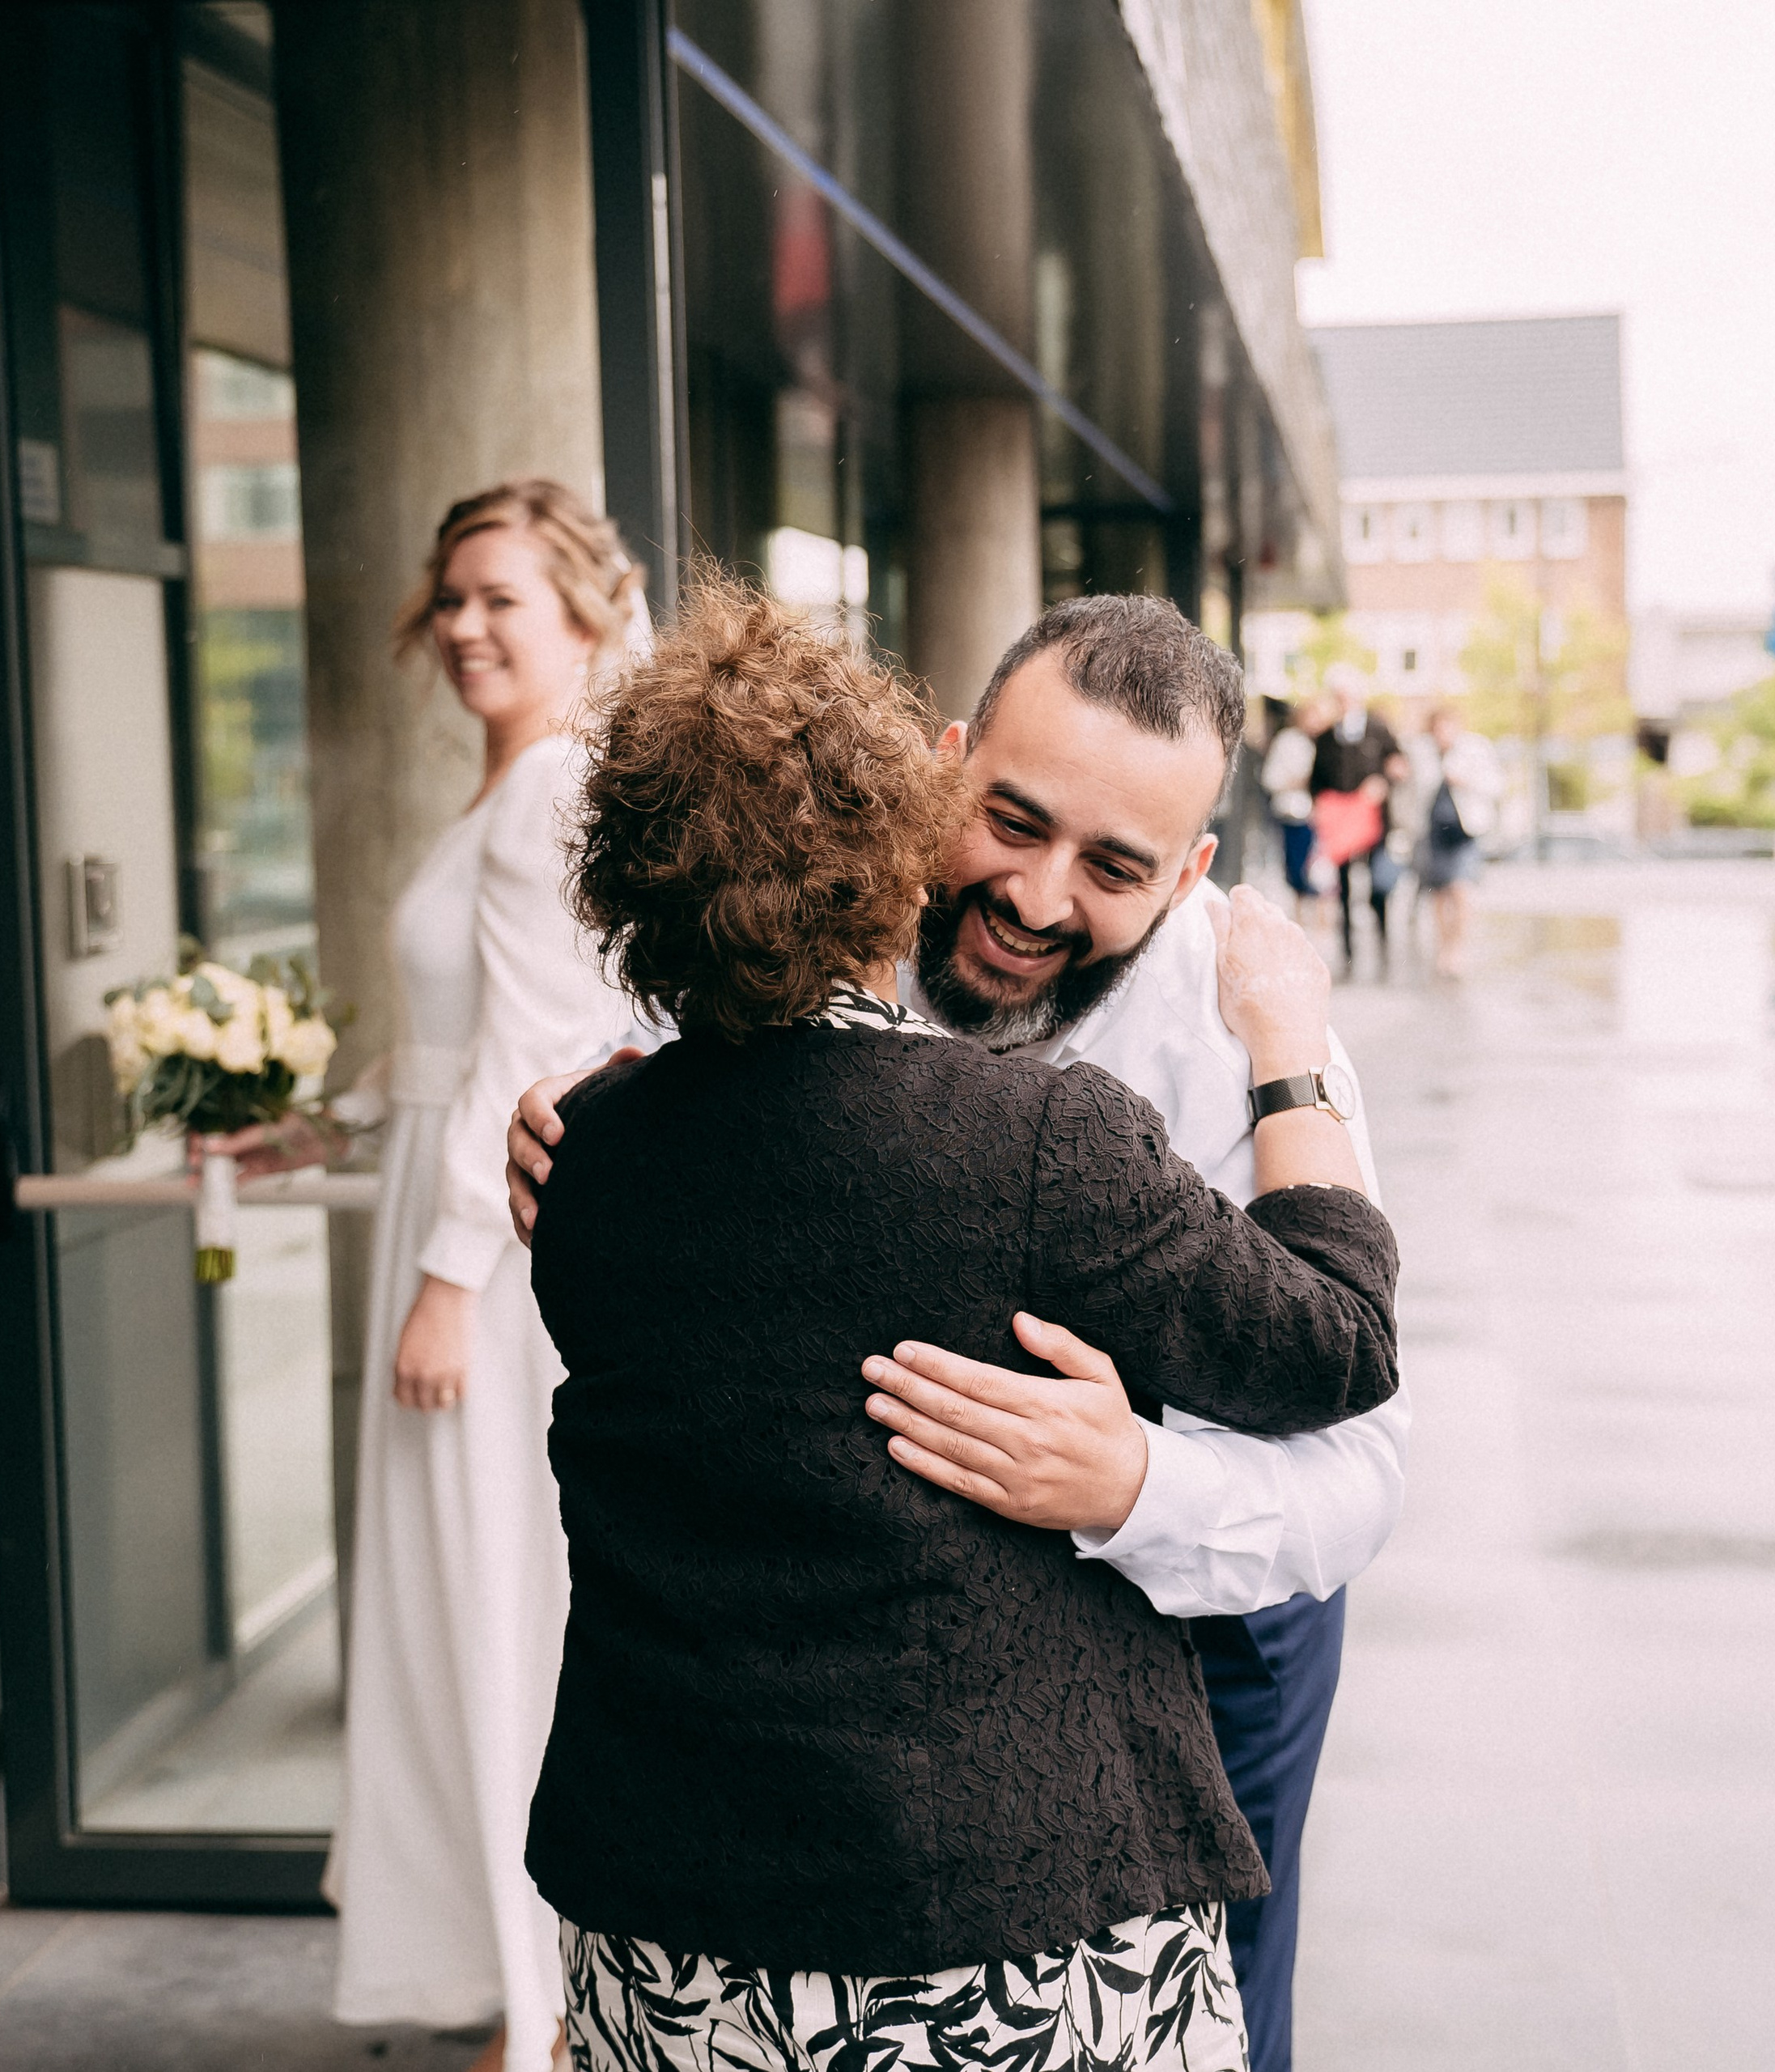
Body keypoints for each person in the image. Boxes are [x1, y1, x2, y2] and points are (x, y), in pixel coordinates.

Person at [508, 593, 1410, 2072]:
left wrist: (1135, 1489)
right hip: (797, 1732)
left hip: (1211, 1623)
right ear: (941, 768)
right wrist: (559, 1143)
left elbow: (1358, 1442)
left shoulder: (1260, 1044)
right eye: (1012, 821)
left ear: (1189, 875)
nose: (1041, 898)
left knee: (1234, 2004)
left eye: (1114, 867)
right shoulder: (789, 933)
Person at [224, 482, 645, 2072]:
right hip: (438, 1200)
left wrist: (451, 1278)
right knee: (455, 1596)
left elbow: (532, 1056)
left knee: (493, 1596)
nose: (465, 623)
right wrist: (309, 1122)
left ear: (586, 618)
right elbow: (451, 1045)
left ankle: (540, 2005)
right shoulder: (508, 783)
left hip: (484, 1246)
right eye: (451, 595)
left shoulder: (549, 788)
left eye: (503, 598)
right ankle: (509, 1969)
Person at [1309, 686, 1408, 977]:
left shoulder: (1378, 730)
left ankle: (1383, 945)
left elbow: (1399, 766)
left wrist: (1383, 783)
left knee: (1378, 885)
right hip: (1340, 826)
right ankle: (1348, 952)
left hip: (1374, 822)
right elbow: (1317, 781)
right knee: (1343, 889)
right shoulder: (1327, 738)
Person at [1411, 704, 1502, 979]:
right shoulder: (1423, 754)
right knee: (1438, 895)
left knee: (1462, 891)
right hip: (1433, 831)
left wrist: (1467, 781)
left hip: (1465, 831)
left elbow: (1496, 784)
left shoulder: (1475, 748)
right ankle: (1443, 948)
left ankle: (1457, 949)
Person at [1259, 694, 1330, 915]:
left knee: (1322, 868)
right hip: (1294, 813)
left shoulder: (1325, 743)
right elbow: (1271, 778)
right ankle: (1300, 915)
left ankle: (1320, 918)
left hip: (1321, 814)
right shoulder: (1289, 742)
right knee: (1298, 868)